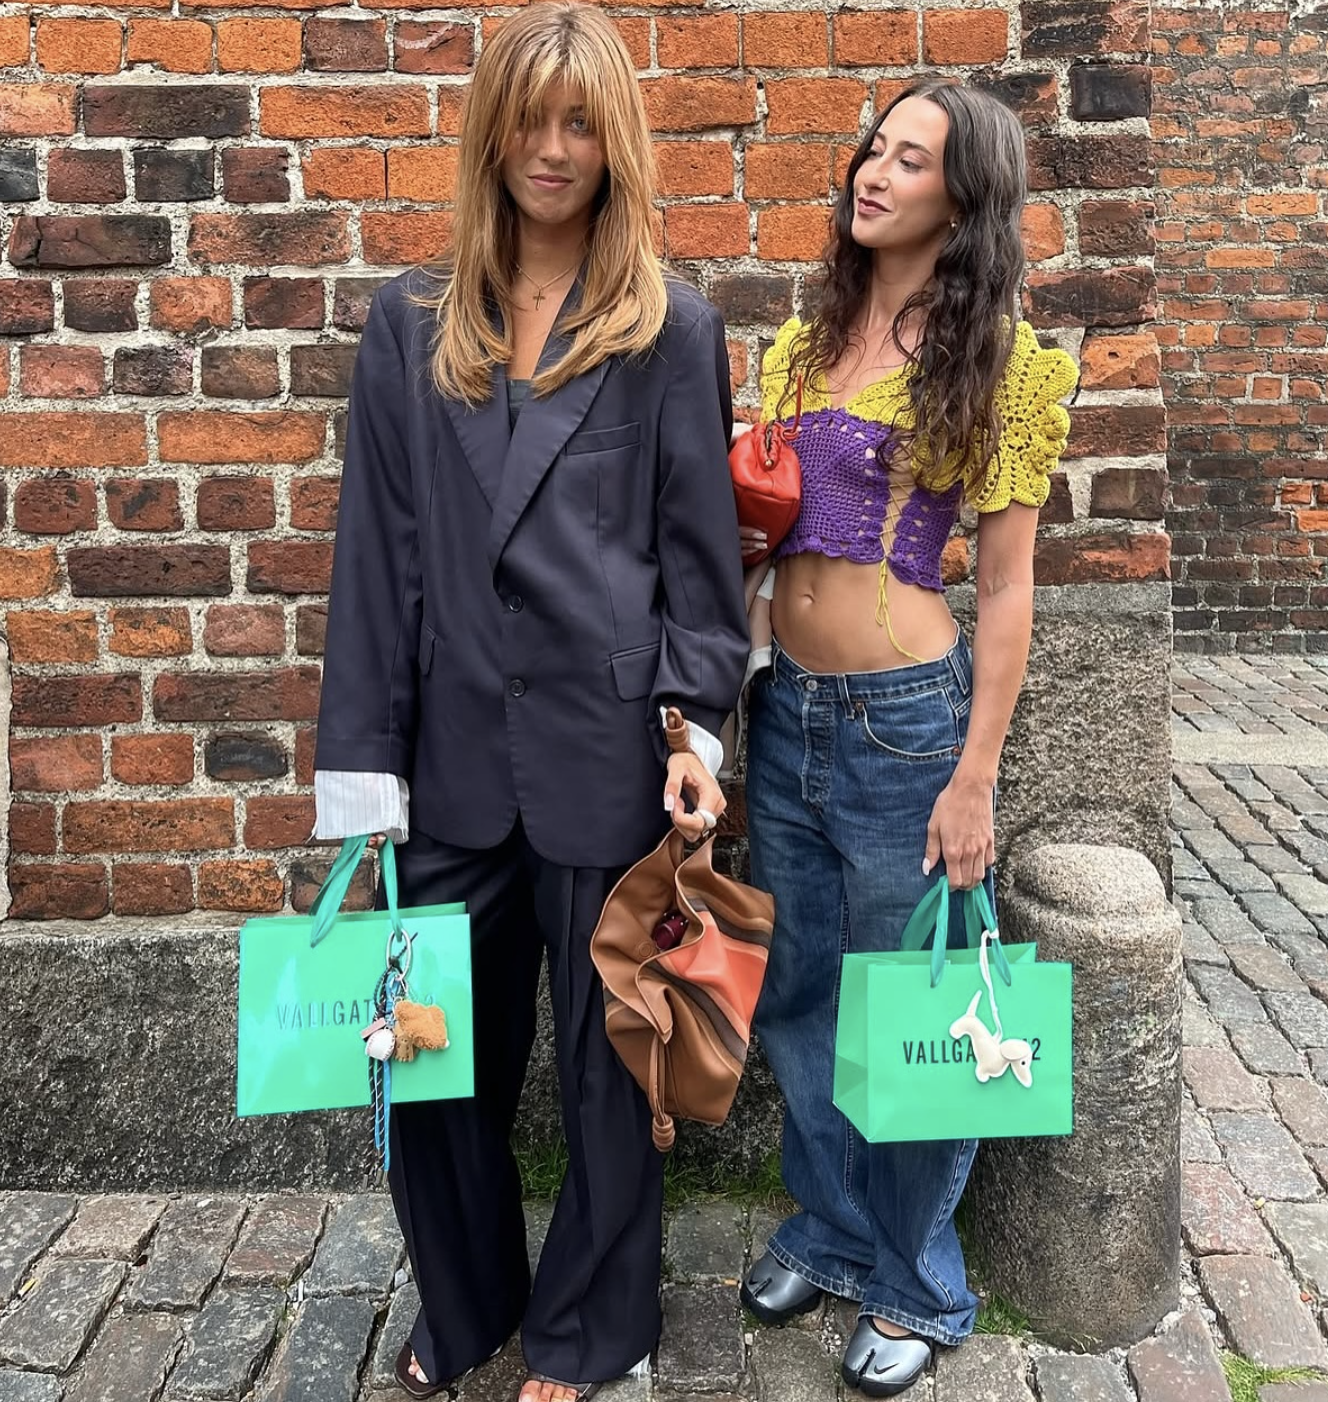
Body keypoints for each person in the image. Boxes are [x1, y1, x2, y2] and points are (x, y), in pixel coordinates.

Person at [311, 6, 749, 1398]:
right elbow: (376, 561)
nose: (552, 151)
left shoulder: (669, 329)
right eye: (528, 119)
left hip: (606, 756)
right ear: (489, 131)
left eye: (580, 124)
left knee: (611, 1066)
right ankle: (468, 1294)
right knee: (425, 1058)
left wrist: (694, 731)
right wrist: (365, 768)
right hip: (449, 760)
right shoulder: (409, 326)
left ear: (615, 142)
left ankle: (590, 1323)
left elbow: (698, 565)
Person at [735, 82, 1078, 1397]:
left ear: (964, 195)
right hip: (789, 712)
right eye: (872, 150)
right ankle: (830, 1226)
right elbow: (758, 538)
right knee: (803, 993)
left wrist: (975, 772)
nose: (873, 173)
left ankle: (919, 1278)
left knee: (914, 1005)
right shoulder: (804, 339)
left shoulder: (1003, 364)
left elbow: (1006, 587)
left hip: (905, 726)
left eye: (911, 159)